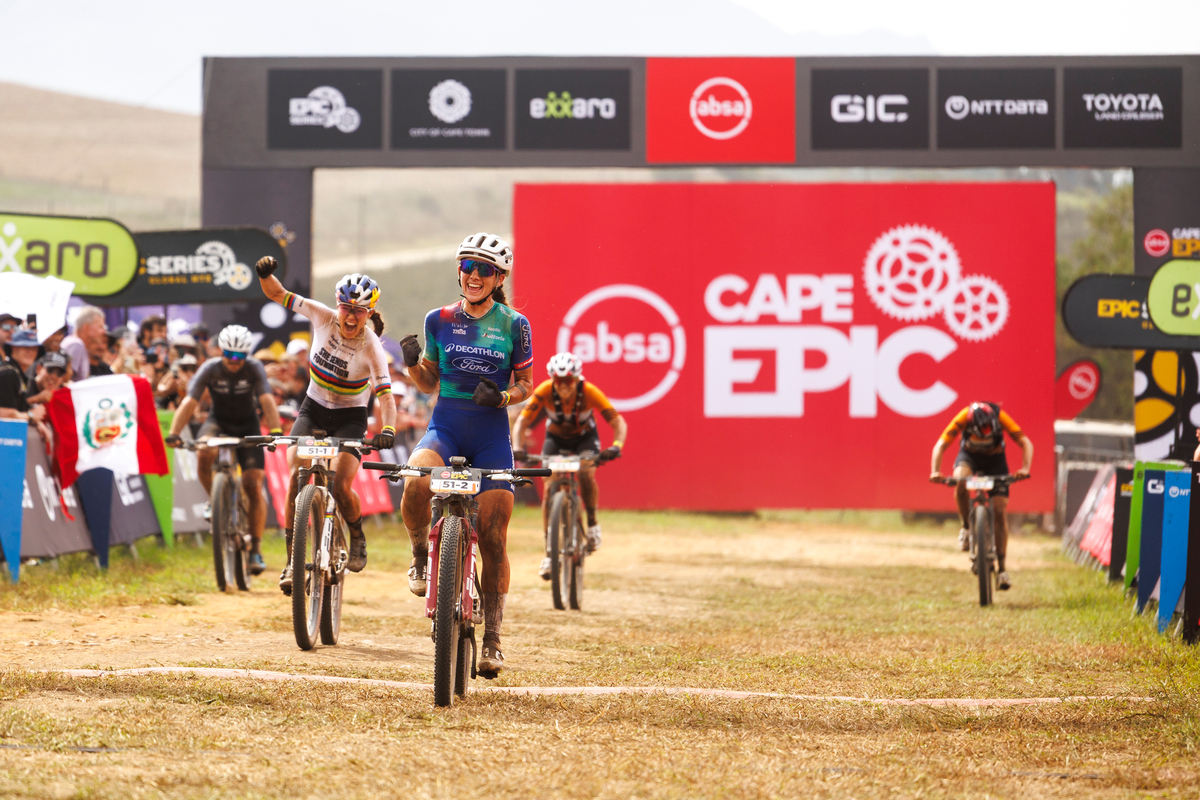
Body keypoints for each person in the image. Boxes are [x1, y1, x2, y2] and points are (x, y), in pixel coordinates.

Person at [397, 232, 533, 677]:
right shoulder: (437, 319)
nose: (474, 276)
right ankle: (421, 553)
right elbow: (427, 383)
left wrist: (502, 399)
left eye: (485, 270)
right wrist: (413, 363)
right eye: (468, 267)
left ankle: (493, 636)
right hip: (446, 429)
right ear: (459, 271)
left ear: (499, 278)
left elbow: (526, 386)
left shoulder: (515, 324)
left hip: (491, 436)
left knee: (494, 537)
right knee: (415, 478)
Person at [254, 257, 396, 594]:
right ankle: (292, 560)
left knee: (341, 485)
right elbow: (279, 295)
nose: (350, 316)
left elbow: (386, 398)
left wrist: (387, 430)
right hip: (313, 408)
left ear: (369, 312)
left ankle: (357, 534)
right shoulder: (321, 316)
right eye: (346, 307)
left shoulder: (372, 347)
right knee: (295, 475)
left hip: (350, 418)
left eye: (359, 310)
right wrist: (265, 274)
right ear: (337, 305)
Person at [164, 325, 283, 576]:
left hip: (247, 424)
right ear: (221, 352)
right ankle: (213, 498)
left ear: (247, 355)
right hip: (218, 422)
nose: (233, 361)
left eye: (240, 356)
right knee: (204, 451)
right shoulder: (210, 368)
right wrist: (174, 433)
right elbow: (190, 401)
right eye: (229, 354)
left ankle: (255, 549)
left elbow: (266, 401)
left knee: (253, 482)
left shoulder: (254, 368)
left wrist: (275, 432)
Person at [511, 351, 627, 579]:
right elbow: (523, 420)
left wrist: (616, 445)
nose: (564, 386)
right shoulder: (544, 391)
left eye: (568, 381)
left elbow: (617, 420)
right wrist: (518, 447)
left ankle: (592, 524)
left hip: (585, 439)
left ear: (577, 379)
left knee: (585, 473)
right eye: (559, 381)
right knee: (549, 488)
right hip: (555, 439)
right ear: (553, 379)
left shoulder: (589, 392)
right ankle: (548, 553)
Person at [929, 401, 1033, 591]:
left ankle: (1002, 569)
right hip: (969, 458)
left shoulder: (1001, 417)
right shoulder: (962, 418)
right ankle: (967, 528)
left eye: (988, 438)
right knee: (960, 480)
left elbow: (1025, 442)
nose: (984, 442)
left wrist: (1025, 468)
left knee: (1000, 512)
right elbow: (941, 444)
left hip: (996, 460)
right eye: (979, 438)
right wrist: (935, 471)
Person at [61, 306, 112, 381]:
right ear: (86, 328)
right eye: (100, 327)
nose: (103, 331)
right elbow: (64, 379)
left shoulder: (77, 344)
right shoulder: (76, 345)